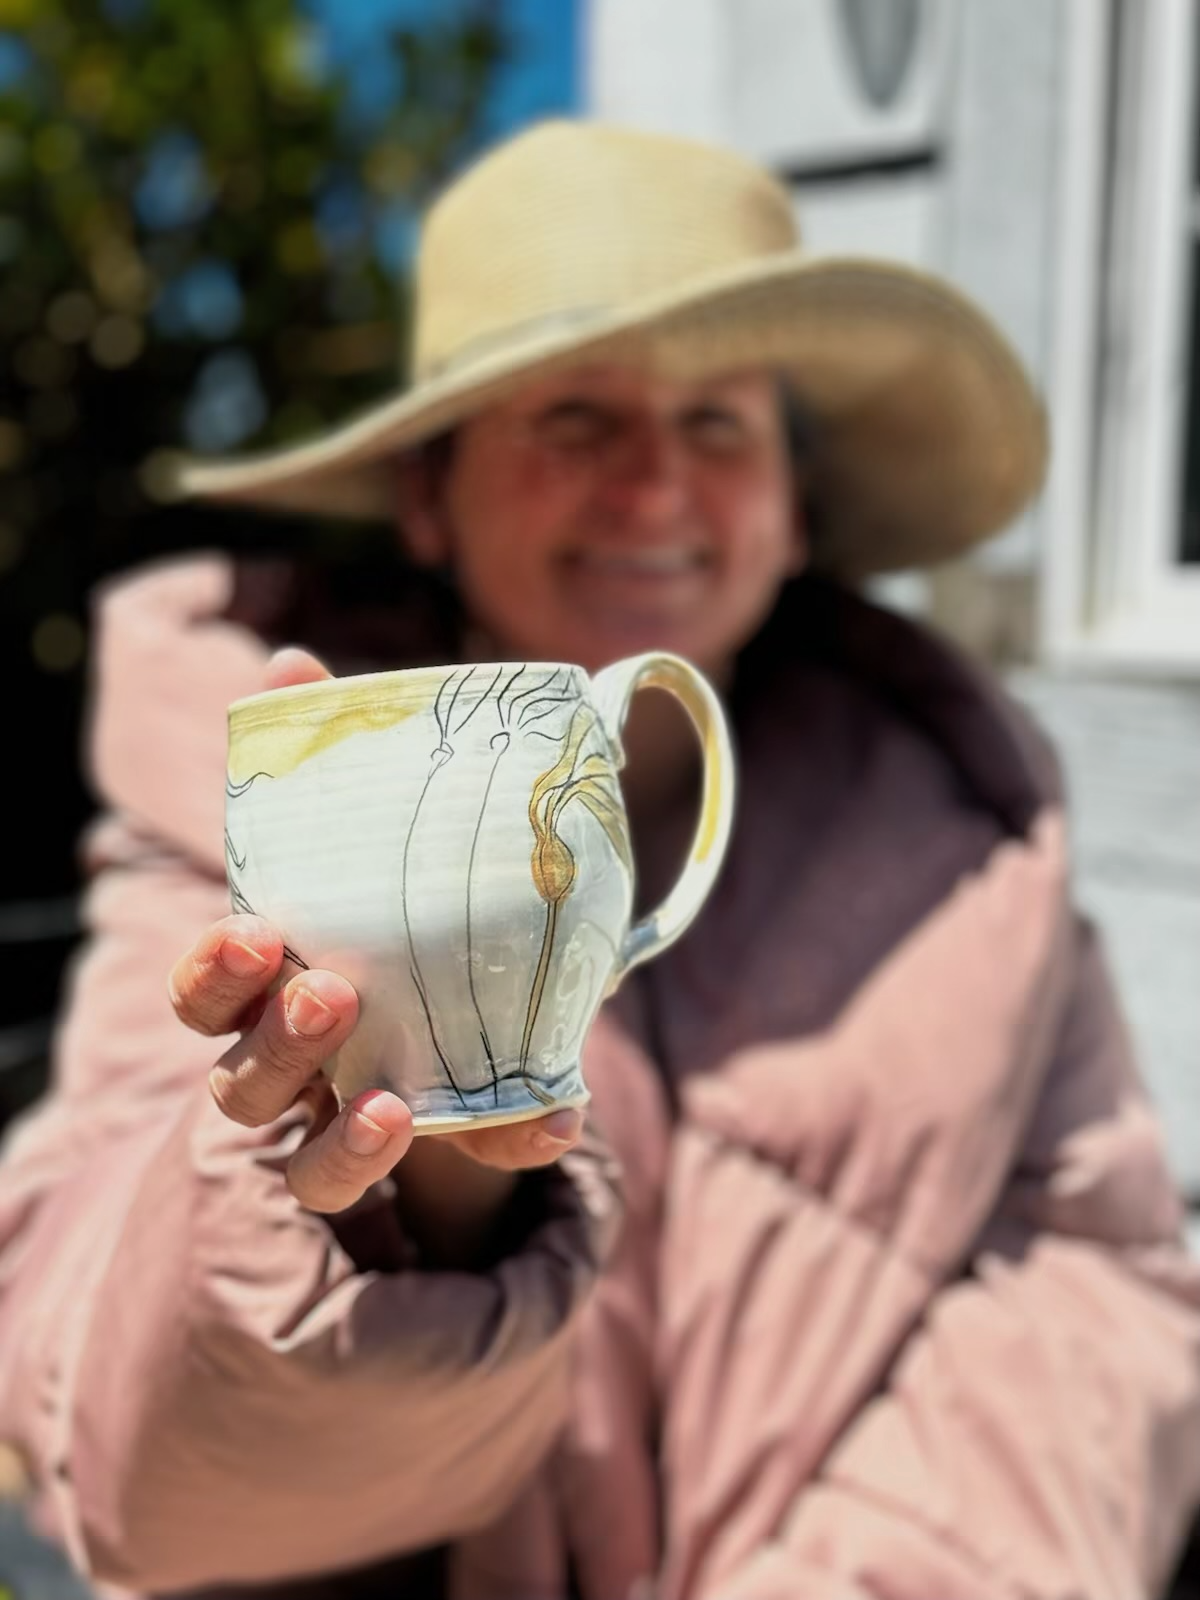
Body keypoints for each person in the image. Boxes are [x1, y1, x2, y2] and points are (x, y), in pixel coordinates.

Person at [0, 116, 1198, 1600]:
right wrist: (409, 1208)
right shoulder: (250, 813)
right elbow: (119, 1443)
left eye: (719, 425)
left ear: (794, 510)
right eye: (573, 418)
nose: (653, 488)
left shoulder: (976, 855)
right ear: (429, 498)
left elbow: (1091, 1295)